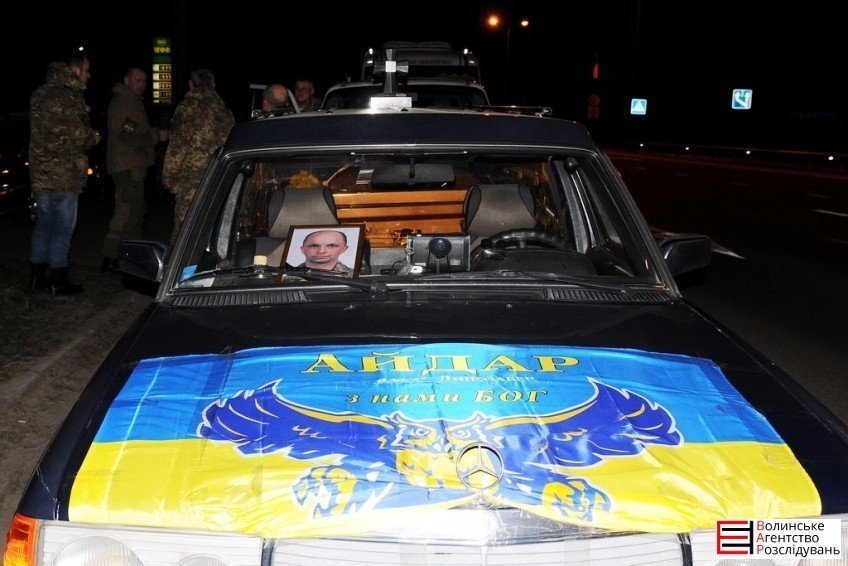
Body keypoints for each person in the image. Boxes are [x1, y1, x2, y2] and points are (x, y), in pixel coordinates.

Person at [28, 53, 101, 295]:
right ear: (76, 70)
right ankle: (58, 281)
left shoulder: (39, 93)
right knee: (62, 228)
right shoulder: (70, 96)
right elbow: (80, 137)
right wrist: (95, 137)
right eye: (86, 70)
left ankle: (37, 278)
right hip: (65, 175)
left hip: (41, 173)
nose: (88, 75)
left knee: (43, 225)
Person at [100, 67, 169, 272]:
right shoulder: (124, 102)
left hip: (133, 165)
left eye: (144, 81)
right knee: (126, 213)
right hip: (127, 167)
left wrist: (153, 132)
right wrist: (156, 136)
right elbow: (128, 135)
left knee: (135, 214)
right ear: (127, 80)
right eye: (137, 80)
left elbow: (136, 131)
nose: (141, 84)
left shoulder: (132, 102)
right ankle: (110, 258)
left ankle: (129, 258)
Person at [162, 68, 234, 243]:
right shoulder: (225, 112)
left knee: (184, 236)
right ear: (213, 85)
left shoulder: (187, 107)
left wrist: (169, 177)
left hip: (191, 182)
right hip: (218, 181)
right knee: (211, 233)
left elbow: (177, 145)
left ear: (191, 84)